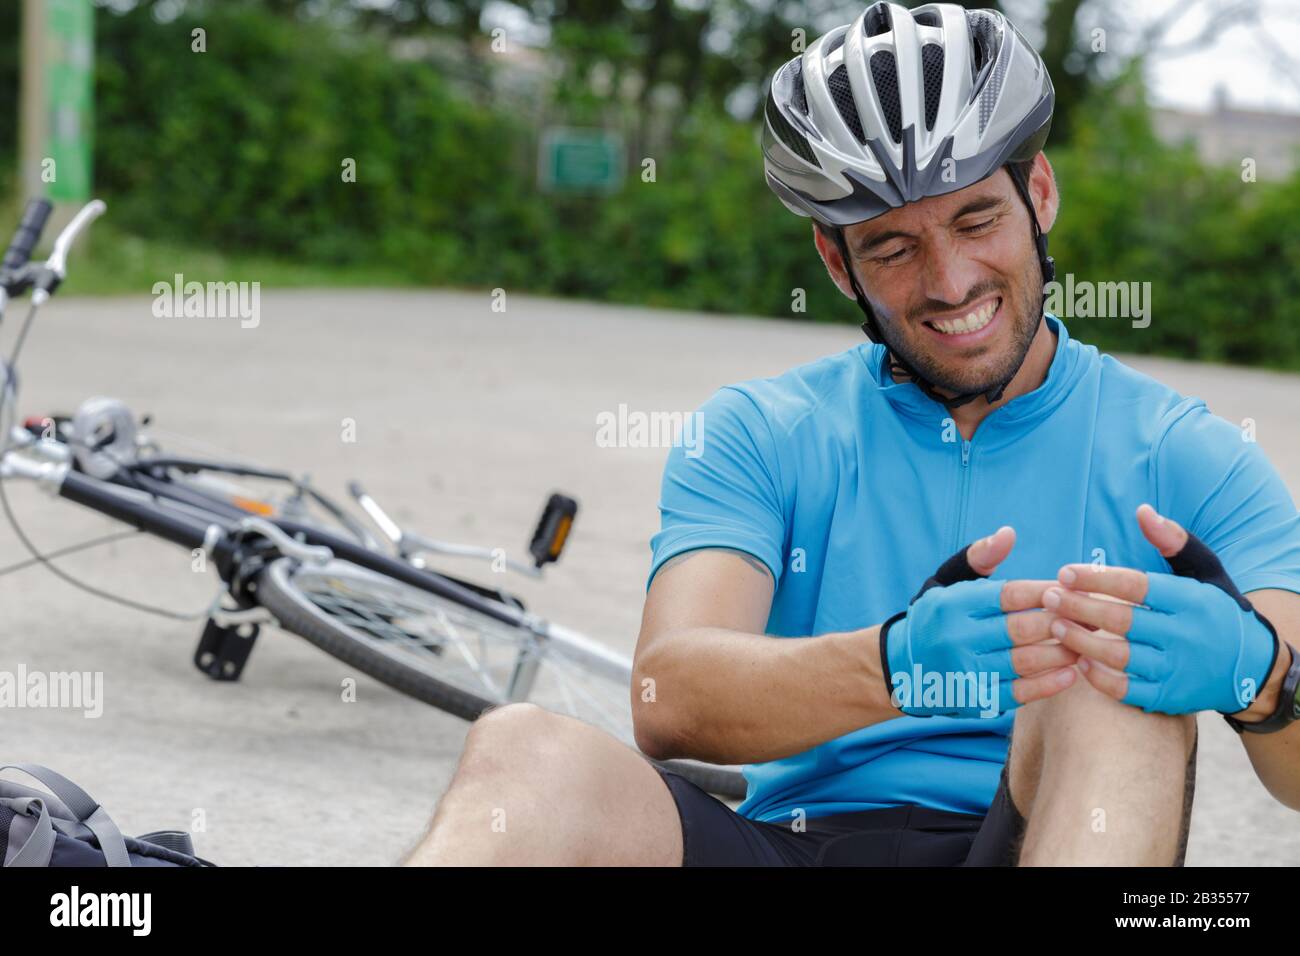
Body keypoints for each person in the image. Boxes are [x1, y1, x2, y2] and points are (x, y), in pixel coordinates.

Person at [405, 1, 1300, 866]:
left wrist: (1263, 681)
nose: (950, 282)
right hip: (793, 843)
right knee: (524, 752)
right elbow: (666, 695)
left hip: (1037, 835)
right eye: (893, 248)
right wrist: (896, 663)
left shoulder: (1188, 453)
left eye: (976, 219)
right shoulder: (762, 430)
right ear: (838, 264)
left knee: (1111, 691)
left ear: (1039, 194)